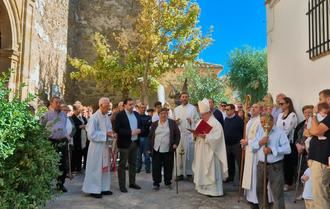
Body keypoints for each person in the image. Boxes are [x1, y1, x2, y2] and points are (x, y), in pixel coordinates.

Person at [252, 114, 291, 209]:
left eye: (265, 122)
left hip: (275, 166)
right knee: (260, 190)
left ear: (272, 121)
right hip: (261, 165)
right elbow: (253, 148)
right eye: (261, 122)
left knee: (277, 193)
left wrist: (272, 149)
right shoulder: (260, 131)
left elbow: (287, 149)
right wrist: (260, 143)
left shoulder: (280, 133)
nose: (263, 124)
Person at [192, 98, 228, 197]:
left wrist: (206, 137)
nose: (202, 116)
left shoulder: (216, 123)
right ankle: (202, 188)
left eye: (203, 114)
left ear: (208, 113)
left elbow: (218, 138)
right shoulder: (200, 122)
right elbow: (196, 133)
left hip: (211, 152)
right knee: (201, 169)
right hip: (201, 150)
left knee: (211, 171)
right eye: (201, 114)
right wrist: (194, 135)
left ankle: (214, 191)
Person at [241, 103, 273, 209]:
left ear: (260, 110)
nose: (252, 109)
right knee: (250, 177)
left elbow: (262, 138)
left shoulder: (261, 121)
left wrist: (248, 142)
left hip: (257, 154)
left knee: (256, 177)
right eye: (252, 107)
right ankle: (251, 198)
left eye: (255, 107)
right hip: (250, 152)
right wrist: (245, 142)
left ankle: (257, 200)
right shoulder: (250, 121)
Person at [82, 97, 114, 198]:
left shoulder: (106, 117)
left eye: (108, 107)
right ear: (100, 106)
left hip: (104, 146)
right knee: (95, 168)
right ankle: (94, 190)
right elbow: (91, 134)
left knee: (104, 168)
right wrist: (106, 134)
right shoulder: (94, 117)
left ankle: (104, 188)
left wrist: (111, 134)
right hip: (96, 147)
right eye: (106, 107)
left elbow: (109, 129)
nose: (108, 109)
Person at [41, 96, 69, 192]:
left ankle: (60, 184)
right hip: (51, 141)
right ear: (52, 103)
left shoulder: (63, 115)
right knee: (50, 163)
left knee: (63, 164)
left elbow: (64, 126)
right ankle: (46, 185)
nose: (58, 104)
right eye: (56, 102)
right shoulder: (47, 115)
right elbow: (42, 127)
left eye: (59, 102)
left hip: (63, 141)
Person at [114, 98, 142, 193]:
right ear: (124, 105)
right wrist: (130, 132)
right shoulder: (120, 115)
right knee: (122, 165)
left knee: (133, 164)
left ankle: (132, 183)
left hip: (135, 143)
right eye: (130, 104)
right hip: (124, 144)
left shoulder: (137, 114)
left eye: (132, 104)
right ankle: (122, 185)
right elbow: (117, 129)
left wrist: (140, 130)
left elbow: (141, 125)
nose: (132, 106)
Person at [148, 107, 180, 190]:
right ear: (158, 115)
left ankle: (168, 182)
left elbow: (177, 134)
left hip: (168, 148)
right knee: (156, 167)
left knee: (168, 166)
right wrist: (149, 148)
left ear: (167, 114)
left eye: (165, 113)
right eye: (161, 113)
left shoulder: (172, 123)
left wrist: (176, 144)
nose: (163, 115)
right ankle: (156, 183)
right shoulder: (154, 124)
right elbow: (150, 136)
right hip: (156, 148)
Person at [309, 89, 330, 209]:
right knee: (320, 194)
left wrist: (313, 114)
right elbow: (309, 131)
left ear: (328, 100)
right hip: (319, 159)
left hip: (322, 159)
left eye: (320, 99)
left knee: (320, 196)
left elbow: (315, 131)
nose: (318, 103)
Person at [173, 92, 199, 181]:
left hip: (189, 135)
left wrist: (191, 121)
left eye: (186, 97)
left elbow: (197, 120)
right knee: (179, 155)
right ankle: (179, 173)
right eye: (183, 97)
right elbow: (172, 122)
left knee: (189, 155)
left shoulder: (193, 109)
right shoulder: (176, 109)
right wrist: (175, 123)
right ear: (180, 98)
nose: (184, 98)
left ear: (188, 98)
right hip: (179, 135)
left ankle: (189, 173)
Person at [276, 96, 298, 191]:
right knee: (280, 163)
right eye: (279, 104)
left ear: (288, 104)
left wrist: (279, 138)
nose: (280, 105)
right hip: (279, 142)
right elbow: (277, 128)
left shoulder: (292, 115)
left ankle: (288, 183)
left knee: (288, 164)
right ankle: (281, 181)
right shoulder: (280, 115)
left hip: (288, 142)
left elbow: (288, 129)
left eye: (282, 104)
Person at [223, 104, 244, 183]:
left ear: (232, 110)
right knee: (229, 162)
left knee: (239, 162)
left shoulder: (238, 120)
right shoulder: (226, 119)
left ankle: (241, 179)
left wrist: (240, 142)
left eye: (228, 109)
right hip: (227, 144)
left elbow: (243, 131)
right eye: (225, 110)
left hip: (236, 144)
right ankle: (230, 177)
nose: (226, 111)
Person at [71, 104, 88, 172]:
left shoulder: (83, 117)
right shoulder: (72, 118)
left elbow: (87, 124)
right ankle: (75, 168)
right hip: (76, 138)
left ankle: (81, 167)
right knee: (76, 153)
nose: (80, 110)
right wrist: (80, 126)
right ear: (75, 109)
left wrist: (85, 126)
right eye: (79, 109)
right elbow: (73, 127)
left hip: (84, 137)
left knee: (83, 152)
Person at [136, 102, 152, 173]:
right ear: (138, 108)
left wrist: (143, 125)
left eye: (144, 108)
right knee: (138, 155)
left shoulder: (148, 117)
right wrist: (145, 124)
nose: (143, 109)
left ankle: (147, 169)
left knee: (147, 155)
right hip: (138, 138)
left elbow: (148, 124)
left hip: (146, 138)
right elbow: (138, 126)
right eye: (141, 108)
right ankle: (138, 168)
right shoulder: (136, 117)